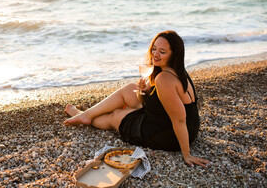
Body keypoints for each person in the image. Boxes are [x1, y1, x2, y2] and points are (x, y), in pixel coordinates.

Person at [63, 30, 210, 167]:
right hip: (177, 123)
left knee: (116, 115)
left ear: (174, 54)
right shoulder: (176, 70)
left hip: (168, 134)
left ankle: (82, 117)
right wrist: (143, 92)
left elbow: (180, 119)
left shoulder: (164, 78)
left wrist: (187, 154)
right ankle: (86, 114)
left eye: (162, 52)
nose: (155, 55)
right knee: (130, 89)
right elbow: (161, 102)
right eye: (154, 49)